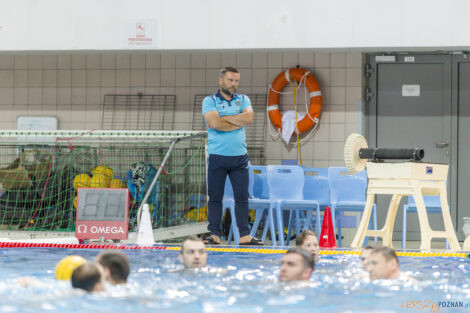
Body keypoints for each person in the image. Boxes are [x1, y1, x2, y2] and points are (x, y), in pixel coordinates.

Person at [202, 66, 263, 246]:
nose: (234, 84)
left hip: (239, 158)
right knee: (215, 197)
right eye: (230, 80)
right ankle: (214, 235)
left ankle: (244, 236)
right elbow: (213, 122)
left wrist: (224, 119)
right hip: (217, 156)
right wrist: (237, 119)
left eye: (236, 80)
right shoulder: (210, 101)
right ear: (221, 80)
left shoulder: (243, 99)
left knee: (242, 197)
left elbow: (249, 118)